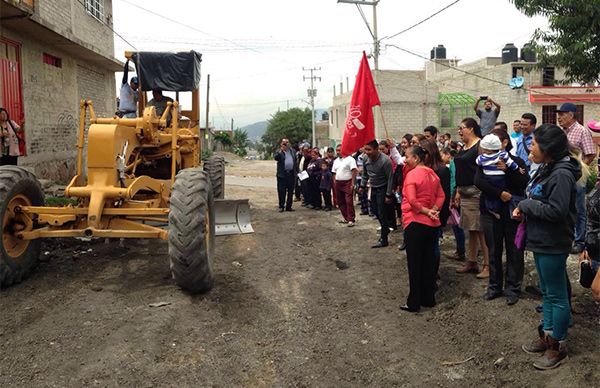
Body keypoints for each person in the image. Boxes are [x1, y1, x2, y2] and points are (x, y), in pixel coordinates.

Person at [515, 124, 581, 370]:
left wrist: (526, 205)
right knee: (548, 292)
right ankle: (548, 335)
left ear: (548, 148)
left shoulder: (562, 174)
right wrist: (526, 206)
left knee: (556, 294)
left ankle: (558, 345)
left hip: (553, 241)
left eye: (533, 143)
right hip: (541, 238)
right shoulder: (548, 168)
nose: (530, 147)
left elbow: (556, 210)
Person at [475, 129, 529, 305]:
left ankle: (513, 288)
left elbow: (523, 181)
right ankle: (494, 286)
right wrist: (499, 193)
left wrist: (508, 171)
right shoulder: (483, 162)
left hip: (512, 212)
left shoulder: (516, 161)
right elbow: (478, 181)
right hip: (491, 212)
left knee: (514, 251)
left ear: (505, 143)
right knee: (493, 250)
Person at [400, 145, 445, 312]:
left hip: (415, 222)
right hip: (432, 224)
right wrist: (434, 209)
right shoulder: (432, 174)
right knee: (429, 263)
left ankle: (414, 302)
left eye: (407, 156)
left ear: (416, 158)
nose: (405, 159)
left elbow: (411, 200)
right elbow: (441, 195)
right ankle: (428, 298)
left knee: (415, 264)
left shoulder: (412, 174)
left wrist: (426, 211)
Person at [556, 102, 596, 253]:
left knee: (579, 209)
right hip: (562, 175)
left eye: (562, 114)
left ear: (571, 115)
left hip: (577, 177)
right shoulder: (561, 132)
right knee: (564, 207)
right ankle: (568, 237)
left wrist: (579, 169)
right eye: (558, 115)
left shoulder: (581, 131)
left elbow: (591, 153)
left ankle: (580, 241)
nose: (559, 117)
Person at [454, 118, 490, 278]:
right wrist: (458, 192)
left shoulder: (480, 146)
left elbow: (486, 168)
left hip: (477, 193)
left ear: (472, 128)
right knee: (472, 230)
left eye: (462, 128)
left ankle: (488, 265)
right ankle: (472, 261)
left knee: (481, 230)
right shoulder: (464, 146)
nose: (459, 131)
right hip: (465, 192)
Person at [420, 139, 450, 280]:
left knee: (433, 246)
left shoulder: (442, 170)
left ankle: (433, 271)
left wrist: (437, 213)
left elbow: (444, 195)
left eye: (424, 152)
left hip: (435, 213)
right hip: (421, 212)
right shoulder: (418, 169)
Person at [360, 139, 395, 248]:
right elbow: (365, 174)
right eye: (365, 149)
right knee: (374, 211)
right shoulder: (366, 158)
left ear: (376, 149)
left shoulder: (385, 161)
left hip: (383, 188)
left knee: (381, 212)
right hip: (373, 188)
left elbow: (390, 179)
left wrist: (388, 194)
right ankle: (385, 229)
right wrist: (362, 185)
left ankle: (384, 238)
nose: (366, 152)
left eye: (369, 150)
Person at [475, 134, 520, 216]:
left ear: (505, 142)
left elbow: (477, 162)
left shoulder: (482, 158)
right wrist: (517, 168)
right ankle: (495, 209)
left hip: (489, 179)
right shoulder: (503, 155)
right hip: (500, 179)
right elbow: (512, 164)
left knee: (490, 199)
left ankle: (493, 209)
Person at [441, 146, 466, 261]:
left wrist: (452, 196)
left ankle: (461, 251)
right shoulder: (451, 164)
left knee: (457, 225)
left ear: (448, 154)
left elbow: (454, 180)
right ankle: (460, 250)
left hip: (454, 196)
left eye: (442, 155)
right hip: (454, 195)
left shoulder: (453, 163)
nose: (441, 158)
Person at [332, 146, 358, 226]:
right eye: (337, 150)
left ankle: (351, 219)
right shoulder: (336, 161)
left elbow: (354, 171)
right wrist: (334, 182)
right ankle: (346, 217)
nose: (338, 152)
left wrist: (353, 183)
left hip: (348, 182)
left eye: (339, 150)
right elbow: (334, 172)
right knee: (340, 202)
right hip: (338, 183)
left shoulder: (350, 159)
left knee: (348, 201)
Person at [274, 138, 297, 212]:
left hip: (291, 174)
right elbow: (276, 157)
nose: (285, 144)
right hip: (282, 175)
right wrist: (281, 150)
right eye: (284, 143)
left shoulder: (292, 151)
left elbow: (295, 161)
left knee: (290, 191)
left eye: (287, 142)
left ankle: (289, 206)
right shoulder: (280, 151)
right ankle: (281, 206)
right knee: (281, 191)